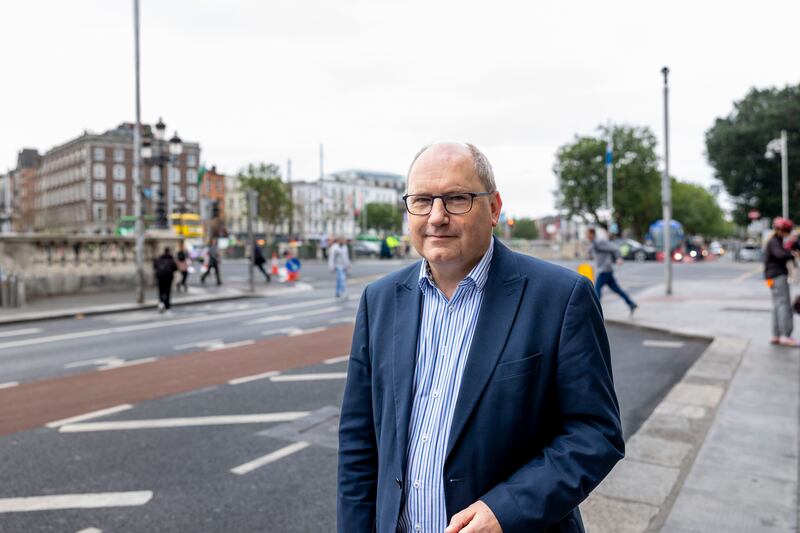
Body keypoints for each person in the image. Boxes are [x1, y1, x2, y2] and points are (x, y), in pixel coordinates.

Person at [338, 143, 623, 533]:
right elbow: (359, 441)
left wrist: (507, 509)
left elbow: (595, 432)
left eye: (457, 198)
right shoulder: (380, 300)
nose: (437, 216)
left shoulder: (561, 297)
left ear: (493, 208)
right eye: (421, 200)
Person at [587, 227, 638, 316]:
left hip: (605, 270)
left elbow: (614, 248)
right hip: (605, 269)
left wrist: (619, 258)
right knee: (617, 290)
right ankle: (631, 304)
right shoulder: (594, 243)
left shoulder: (600, 242)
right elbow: (591, 252)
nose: (586, 236)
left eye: (587, 234)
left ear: (592, 234)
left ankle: (595, 312)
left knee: (596, 289)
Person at [765, 217, 798, 346]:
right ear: (782, 230)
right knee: (784, 305)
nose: (787, 234)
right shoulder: (775, 242)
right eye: (787, 231)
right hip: (778, 276)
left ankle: (776, 335)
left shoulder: (773, 241)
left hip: (771, 277)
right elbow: (780, 254)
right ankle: (785, 335)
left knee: (777, 305)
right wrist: (791, 254)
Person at [153, 247, 178, 313]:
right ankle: (167, 305)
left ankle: (161, 303)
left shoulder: (159, 258)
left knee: (161, 291)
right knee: (167, 291)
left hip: (160, 277)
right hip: (168, 277)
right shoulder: (171, 258)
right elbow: (175, 268)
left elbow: (155, 266)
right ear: (169, 251)